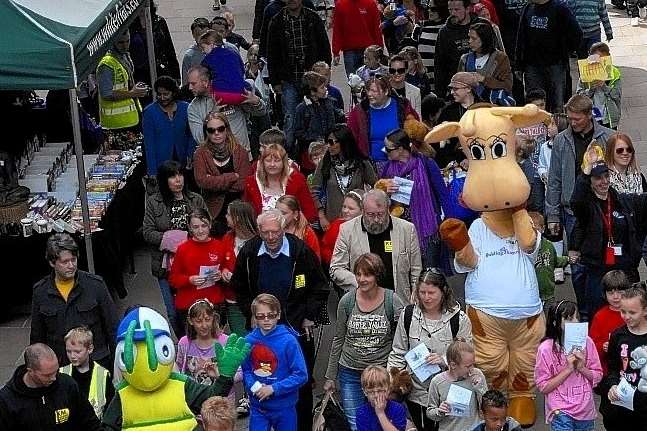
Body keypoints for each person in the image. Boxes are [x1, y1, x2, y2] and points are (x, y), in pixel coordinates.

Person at [230, 209, 329, 431]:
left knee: (301, 387)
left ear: (284, 229)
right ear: (259, 231)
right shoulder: (249, 251)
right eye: (266, 232)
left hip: (295, 328)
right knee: (261, 374)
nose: (271, 237)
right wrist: (252, 314)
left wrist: (308, 316)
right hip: (262, 331)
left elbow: (321, 286)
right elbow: (239, 287)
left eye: (275, 232)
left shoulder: (300, 250)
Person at [546, 95, 614, 319]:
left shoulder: (608, 137)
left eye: (576, 119)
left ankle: (604, 309)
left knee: (604, 261)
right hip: (572, 212)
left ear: (588, 116)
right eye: (570, 118)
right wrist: (552, 215)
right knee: (577, 266)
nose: (572, 123)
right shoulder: (561, 141)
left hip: (603, 207)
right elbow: (554, 179)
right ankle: (584, 311)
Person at [324, 253, 406, 430]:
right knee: (355, 423)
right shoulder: (347, 301)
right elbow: (339, 338)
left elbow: (402, 339)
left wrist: (398, 372)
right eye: (358, 274)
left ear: (377, 275)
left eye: (367, 274)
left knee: (382, 420)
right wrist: (330, 376)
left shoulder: (392, 300)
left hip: (381, 374)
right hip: (350, 371)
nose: (361, 279)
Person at [388, 269, 473, 431]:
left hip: (447, 396)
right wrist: (393, 382)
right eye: (422, 292)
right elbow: (398, 352)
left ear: (443, 291)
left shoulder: (459, 319)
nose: (426, 297)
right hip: (415, 394)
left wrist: (444, 360)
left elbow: (468, 359)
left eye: (431, 293)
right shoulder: (408, 315)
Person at [569, 161, 647, 320]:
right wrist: (585, 174)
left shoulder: (621, 200)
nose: (604, 181)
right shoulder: (586, 205)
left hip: (624, 267)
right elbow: (576, 201)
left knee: (629, 313)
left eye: (606, 176)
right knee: (598, 314)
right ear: (590, 181)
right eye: (598, 178)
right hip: (598, 269)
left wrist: (635, 252)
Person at [30, 233, 117, 370]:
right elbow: (37, 336)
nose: (71, 265)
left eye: (74, 260)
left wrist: (117, 364)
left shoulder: (95, 285)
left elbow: (112, 328)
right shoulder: (41, 291)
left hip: (96, 364)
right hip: (61, 366)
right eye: (65, 262)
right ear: (52, 263)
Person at [143, 160, 207, 335]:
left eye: (180, 175)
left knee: (195, 309)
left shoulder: (196, 199)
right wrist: (170, 239)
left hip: (192, 265)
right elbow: (147, 232)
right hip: (165, 266)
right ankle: (183, 341)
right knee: (173, 312)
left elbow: (208, 227)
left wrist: (189, 239)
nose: (178, 180)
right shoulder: (153, 202)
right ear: (164, 180)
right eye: (172, 176)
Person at [330, 189, 422, 304]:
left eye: (380, 214)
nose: (376, 220)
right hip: (363, 303)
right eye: (371, 215)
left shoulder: (407, 229)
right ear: (363, 211)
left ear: (388, 209)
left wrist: (416, 297)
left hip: (399, 302)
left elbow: (416, 270)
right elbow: (336, 268)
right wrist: (359, 281)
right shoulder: (347, 230)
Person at [266, 0, 332, 152]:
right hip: (289, 79)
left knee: (316, 113)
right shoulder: (277, 21)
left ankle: (318, 151)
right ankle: (288, 153)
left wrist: (323, 76)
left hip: (312, 80)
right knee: (290, 116)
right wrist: (275, 81)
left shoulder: (312, 18)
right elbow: (272, 53)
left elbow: (324, 47)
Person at [380, 128, 450, 267]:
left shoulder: (426, 163)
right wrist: (385, 190)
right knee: (402, 269)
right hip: (399, 229)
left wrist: (447, 220)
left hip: (428, 227)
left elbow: (443, 194)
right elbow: (379, 197)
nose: (384, 151)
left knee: (430, 270)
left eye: (388, 149)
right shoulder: (387, 168)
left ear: (400, 149)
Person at [242, 293, 308, 431]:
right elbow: (246, 370)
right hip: (258, 406)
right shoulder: (248, 341)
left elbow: (301, 375)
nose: (266, 320)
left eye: (270, 315)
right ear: (255, 317)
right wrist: (255, 387)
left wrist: (273, 389)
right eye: (261, 316)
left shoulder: (289, 341)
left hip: (284, 406)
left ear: (278, 315)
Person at [0, 343, 103, 430]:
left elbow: (90, 421)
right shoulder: (7, 400)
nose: (54, 378)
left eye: (56, 371)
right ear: (30, 371)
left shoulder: (67, 385)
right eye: (47, 375)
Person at [535, 300, 603, 430]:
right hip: (560, 410)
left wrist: (582, 368)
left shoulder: (587, 342)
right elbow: (543, 386)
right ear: (555, 322)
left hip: (585, 409)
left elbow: (598, 376)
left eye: (577, 317)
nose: (575, 322)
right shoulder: (546, 349)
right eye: (568, 319)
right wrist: (568, 369)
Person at [168, 209, 235, 334]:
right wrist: (189, 280)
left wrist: (221, 274)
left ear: (210, 224)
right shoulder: (183, 249)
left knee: (215, 343)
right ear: (190, 228)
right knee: (193, 344)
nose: (200, 230)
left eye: (204, 225)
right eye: (196, 227)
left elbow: (228, 268)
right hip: (189, 304)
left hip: (213, 302)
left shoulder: (220, 246)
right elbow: (173, 279)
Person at [515, 0, 582, 112]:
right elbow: (521, 37)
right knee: (534, 104)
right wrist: (519, 64)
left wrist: (565, 52)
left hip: (556, 66)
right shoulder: (528, 8)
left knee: (558, 105)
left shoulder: (560, 9)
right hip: (532, 66)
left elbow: (577, 34)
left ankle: (557, 128)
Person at [187, 65, 267, 155]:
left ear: (205, 82)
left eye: (193, 83)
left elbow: (261, 112)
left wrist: (256, 101)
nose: (190, 87)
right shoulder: (193, 108)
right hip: (216, 160)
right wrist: (212, 116)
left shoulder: (231, 94)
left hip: (242, 156)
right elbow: (200, 138)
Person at [310, 124, 377, 231]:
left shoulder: (362, 163)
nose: (328, 146)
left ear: (344, 142)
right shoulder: (325, 162)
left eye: (331, 142)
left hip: (357, 221)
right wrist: (321, 216)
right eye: (327, 142)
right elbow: (314, 191)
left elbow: (376, 187)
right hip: (331, 221)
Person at [193, 112, 251, 235]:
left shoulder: (240, 152)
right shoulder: (200, 154)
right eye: (211, 130)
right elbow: (202, 182)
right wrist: (232, 176)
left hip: (238, 209)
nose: (216, 133)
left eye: (220, 129)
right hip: (213, 212)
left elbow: (243, 184)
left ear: (227, 129)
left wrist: (214, 181)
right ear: (206, 132)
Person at [175, 299, 242, 404]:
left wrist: (222, 375)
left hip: (223, 401)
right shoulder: (184, 343)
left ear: (213, 319)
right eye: (199, 321)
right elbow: (178, 369)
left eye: (207, 319)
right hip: (196, 401)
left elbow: (240, 372)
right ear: (190, 321)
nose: (204, 325)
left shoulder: (225, 341)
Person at [601, 287, 647, 430]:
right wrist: (612, 385)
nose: (626, 316)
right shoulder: (618, 335)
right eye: (623, 311)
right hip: (621, 407)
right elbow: (613, 367)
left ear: (645, 310)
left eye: (632, 312)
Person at [347, 75, 419, 163]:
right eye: (368, 90)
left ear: (385, 91)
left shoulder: (402, 106)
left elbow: (416, 131)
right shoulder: (359, 111)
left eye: (374, 91)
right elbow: (350, 139)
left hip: (401, 163)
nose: (369, 94)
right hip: (371, 166)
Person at [243, 143, 317, 222]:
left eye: (277, 160)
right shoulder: (251, 182)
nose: (272, 164)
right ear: (262, 162)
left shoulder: (297, 180)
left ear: (284, 162)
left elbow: (310, 213)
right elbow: (246, 213)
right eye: (268, 160)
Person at [427, 340, 488, 431]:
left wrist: (479, 388)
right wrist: (439, 411)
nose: (471, 369)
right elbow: (430, 412)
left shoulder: (477, 374)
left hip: (474, 428)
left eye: (473, 365)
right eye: (468, 366)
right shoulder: (437, 382)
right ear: (453, 365)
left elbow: (487, 406)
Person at [142, 76, 196, 176]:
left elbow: (192, 135)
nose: (162, 98)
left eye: (166, 94)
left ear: (174, 93)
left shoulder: (186, 108)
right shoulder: (149, 112)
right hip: (161, 165)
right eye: (159, 94)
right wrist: (152, 172)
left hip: (183, 162)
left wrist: (190, 154)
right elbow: (149, 144)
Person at [220, 200, 259, 336]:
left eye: (228, 214)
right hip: (233, 301)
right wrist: (223, 271)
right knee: (241, 339)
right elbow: (221, 263)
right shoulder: (227, 238)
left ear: (237, 218)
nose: (226, 217)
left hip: (255, 301)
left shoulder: (258, 241)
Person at [434, 0, 487, 99]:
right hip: (457, 89)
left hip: (483, 86)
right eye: (450, 10)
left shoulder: (482, 26)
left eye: (457, 9)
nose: (453, 13)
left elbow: (495, 54)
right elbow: (440, 65)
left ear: (467, 9)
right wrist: (440, 94)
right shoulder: (444, 32)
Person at [294, 71, 345, 172]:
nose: (325, 89)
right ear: (312, 92)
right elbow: (298, 132)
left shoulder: (328, 102)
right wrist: (316, 139)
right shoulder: (302, 108)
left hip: (328, 144)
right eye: (322, 88)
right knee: (313, 175)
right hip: (312, 150)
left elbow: (336, 119)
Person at [96, 30, 146, 131]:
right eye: (121, 43)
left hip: (130, 118)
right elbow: (106, 93)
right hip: (115, 123)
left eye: (127, 41)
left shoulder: (124, 56)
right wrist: (132, 93)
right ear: (112, 42)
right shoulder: (106, 64)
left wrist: (134, 88)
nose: (125, 45)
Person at [60, 327, 113, 420]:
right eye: (68, 351)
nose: (72, 356)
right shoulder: (61, 373)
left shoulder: (103, 374)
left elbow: (110, 410)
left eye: (77, 351)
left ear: (90, 349)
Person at [431, 72, 479, 168]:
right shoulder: (447, 112)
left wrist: (472, 159)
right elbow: (439, 143)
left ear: (469, 89)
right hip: (454, 165)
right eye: (451, 89)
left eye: (456, 89)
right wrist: (456, 161)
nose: (452, 92)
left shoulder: (484, 109)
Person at [457, 22, 512, 102]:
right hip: (471, 107)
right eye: (469, 37)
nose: (469, 41)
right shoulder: (465, 59)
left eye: (474, 38)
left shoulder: (500, 59)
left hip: (494, 107)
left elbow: (507, 86)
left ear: (484, 39)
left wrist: (483, 79)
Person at [589, 270, 630, 374]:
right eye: (611, 293)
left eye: (620, 292)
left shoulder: (633, 312)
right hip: (608, 369)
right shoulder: (600, 316)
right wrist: (603, 346)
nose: (615, 296)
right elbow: (592, 346)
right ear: (604, 294)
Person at [331, 0, 383, 76]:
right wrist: (336, 52)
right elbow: (337, 29)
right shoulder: (340, 5)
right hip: (349, 50)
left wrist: (379, 48)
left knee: (371, 81)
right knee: (354, 82)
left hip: (369, 50)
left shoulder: (371, 3)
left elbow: (377, 28)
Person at [527, 212, 569, 307]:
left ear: (543, 229)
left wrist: (568, 259)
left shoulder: (548, 245)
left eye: (536, 230)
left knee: (549, 316)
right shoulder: (523, 249)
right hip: (530, 295)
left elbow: (555, 260)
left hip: (548, 293)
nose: (533, 233)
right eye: (529, 230)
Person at [576, 43, 621, 129]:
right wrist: (591, 90)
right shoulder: (585, 74)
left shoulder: (614, 73)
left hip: (609, 118)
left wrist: (605, 87)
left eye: (603, 59)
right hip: (591, 117)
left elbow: (617, 95)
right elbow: (579, 96)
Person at [199, 25, 247, 106]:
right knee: (251, 82)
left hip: (220, 96)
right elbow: (242, 71)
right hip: (241, 95)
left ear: (212, 45)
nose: (203, 51)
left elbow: (202, 75)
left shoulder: (208, 59)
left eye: (204, 48)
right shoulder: (233, 52)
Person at [356, 365, 408, 431]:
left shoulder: (398, 409)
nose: (376, 395)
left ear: (388, 390)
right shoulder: (361, 413)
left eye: (380, 391)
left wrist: (381, 413)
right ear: (364, 392)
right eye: (371, 392)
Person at [321, 190, 365, 266]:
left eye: (351, 208)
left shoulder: (368, 228)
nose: (345, 211)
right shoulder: (336, 226)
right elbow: (325, 249)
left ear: (362, 210)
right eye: (344, 206)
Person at [181, 18, 211, 85]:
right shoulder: (190, 55)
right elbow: (185, 81)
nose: (201, 38)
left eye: (205, 35)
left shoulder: (217, 50)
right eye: (198, 35)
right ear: (193, 35)